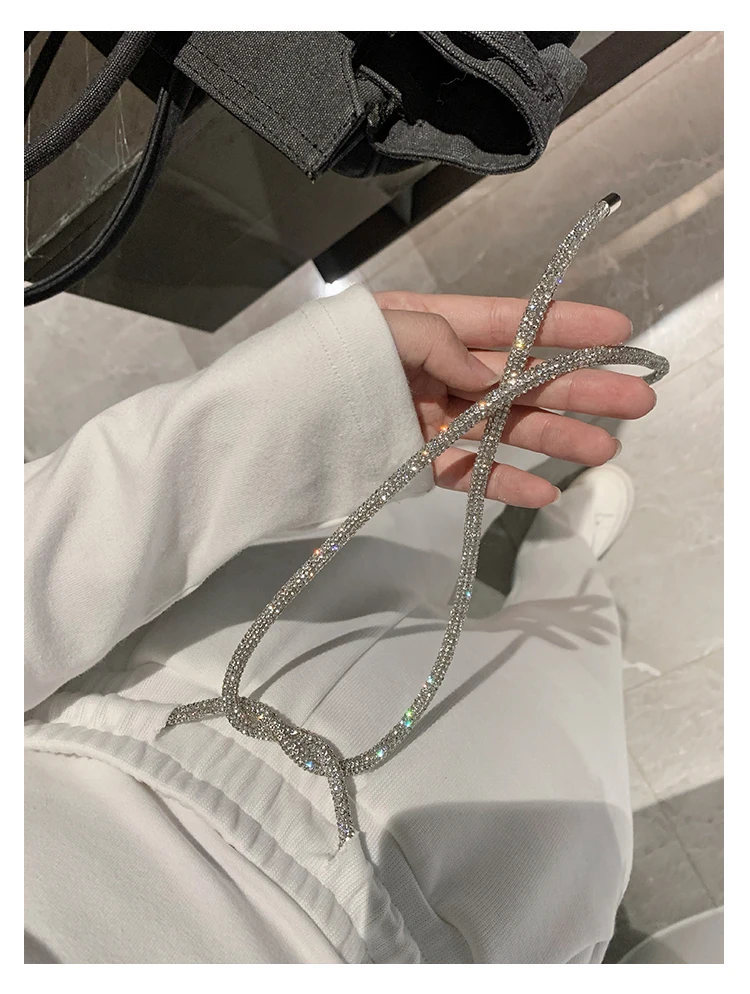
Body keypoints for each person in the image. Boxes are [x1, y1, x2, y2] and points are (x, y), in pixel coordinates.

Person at [24, 285, 657, 964]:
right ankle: (565, 560)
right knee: (565, 689)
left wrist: (262, 420)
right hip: (421, 919)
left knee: (410, 499)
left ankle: (510, 489)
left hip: (144, 692)